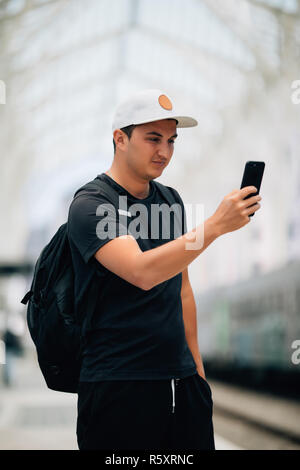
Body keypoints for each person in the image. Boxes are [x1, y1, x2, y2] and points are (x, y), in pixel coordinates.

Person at [67, 89, 262, 450]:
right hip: (118, 386)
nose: (165, 152)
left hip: (181, 384)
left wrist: (197, 373)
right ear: (120, 138)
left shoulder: (170, 200)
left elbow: (181, 288)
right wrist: (214, 226)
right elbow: (142, 272)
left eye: (172, 141)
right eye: (153, 139)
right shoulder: (92, 204)